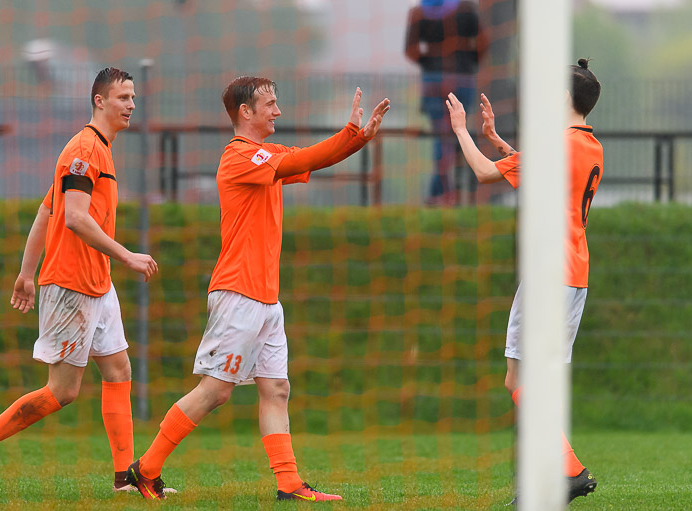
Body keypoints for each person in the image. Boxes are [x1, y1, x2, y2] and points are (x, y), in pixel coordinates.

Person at [125, 77, 390, 501]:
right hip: (238, 294)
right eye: (270, 104)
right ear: (245, 112)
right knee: (216, 391)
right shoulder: (239, 156)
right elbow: (305, 157)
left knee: (276, 389)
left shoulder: (267, 154)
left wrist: (360, 138)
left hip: (266, 299)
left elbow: (313, 158)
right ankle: (146, 468)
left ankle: (289, 484)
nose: (278, 111)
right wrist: (350, 132)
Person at [0, 67, 160, 494]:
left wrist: (25, 274)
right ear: (99, 101)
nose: (131, 105)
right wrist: (126, 255)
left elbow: (47, 212)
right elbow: (75, 219)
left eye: (133, 97)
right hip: (71, 285)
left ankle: (125, 478)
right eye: (123, 97)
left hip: (97, 283)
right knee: (62, 391)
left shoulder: (100, 149)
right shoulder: (84, 149)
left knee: (118, 369)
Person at [445, 59, 602, 504]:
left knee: (521, 381)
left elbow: (483, 174)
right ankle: (551, 475)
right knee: (527, 381)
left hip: (549, 275)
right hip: (574, 275)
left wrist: (461, 131)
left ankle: (568, 471)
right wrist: (497, 141)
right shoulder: (588, 144)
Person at [405, 0, 488, 205]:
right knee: (459, 132)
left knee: (442, 136)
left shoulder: (418, 12)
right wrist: (468, 61)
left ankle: (441, 193)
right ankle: (461, 188)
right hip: (462, 79)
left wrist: (428, 61)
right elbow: (482, 43)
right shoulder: (467, 8)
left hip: (433, 81)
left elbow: (411, 50)